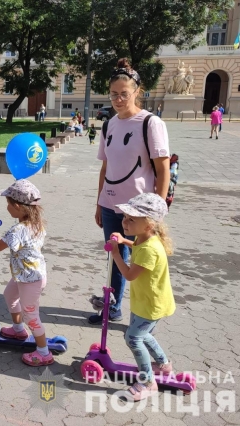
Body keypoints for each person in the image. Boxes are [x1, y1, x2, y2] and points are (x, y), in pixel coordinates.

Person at [91, 57, 170, 325]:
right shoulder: (108, 124)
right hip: (111, 205)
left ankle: (143, 314)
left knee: (140, 260)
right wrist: (99, 202)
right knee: (115, 257)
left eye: (124, 94)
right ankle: (112, 307)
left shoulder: (150, 123)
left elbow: (163, 169)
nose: (118, 99)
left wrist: (157, 211)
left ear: (137, 91)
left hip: (139, 210)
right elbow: (106, 167)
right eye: (114, 94)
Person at [106, 193, 175, 402]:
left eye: (131, 219)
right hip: (145, 301)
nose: (124, 222)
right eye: (125, 217)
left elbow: (128, 275)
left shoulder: (150, 250)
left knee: (133, 338)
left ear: (148, 225)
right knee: (143, 335)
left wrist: (116, 252)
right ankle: (163, 365)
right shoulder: (144, 238)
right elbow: (137, 246)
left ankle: (147, 382)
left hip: (151, 304)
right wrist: (125, 240)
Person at [0, 180, 52, 366]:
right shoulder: (36, 224)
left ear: (17, 206)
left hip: (31, 279)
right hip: (26, 275)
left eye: (8, 204)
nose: (7, 208)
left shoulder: (18, 230)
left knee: (31, 314)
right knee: (9, 295)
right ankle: (18, 329)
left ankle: (44, 352)